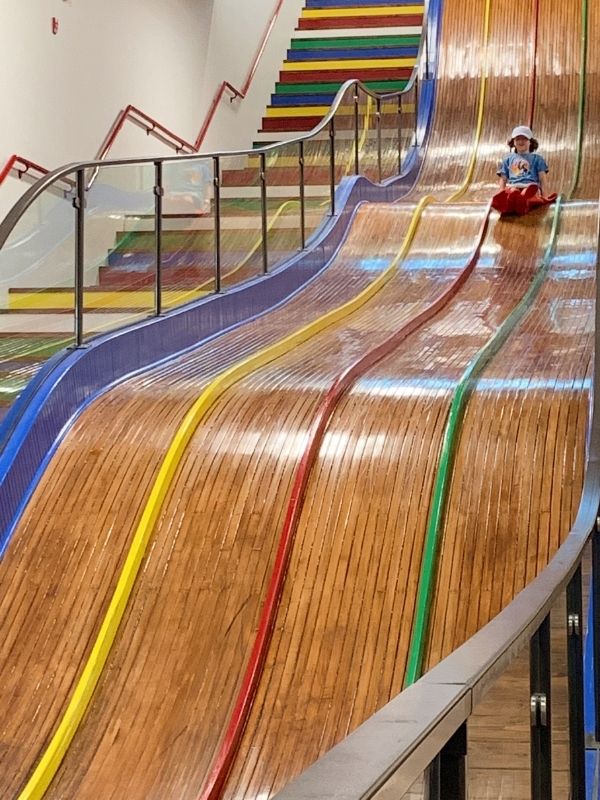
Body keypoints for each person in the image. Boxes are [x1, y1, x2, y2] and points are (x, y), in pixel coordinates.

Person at [492, 125, 556, 215]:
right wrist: (501, 194)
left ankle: (524, 199)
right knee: (511, 193)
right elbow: (503, 179)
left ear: (530, 142)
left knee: (533, 196)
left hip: (530, 187)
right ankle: (516, 199)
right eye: (518, 139)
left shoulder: (537, 159)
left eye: (524, 139)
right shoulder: (507, 159)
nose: (521, 141)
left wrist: (545, 195)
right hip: (513, 186)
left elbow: (542, 179)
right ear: (513, 142)